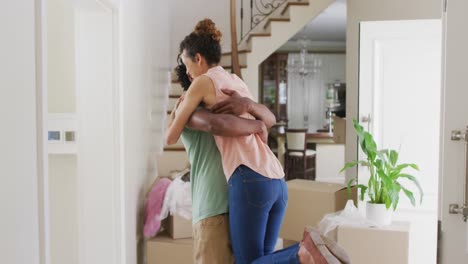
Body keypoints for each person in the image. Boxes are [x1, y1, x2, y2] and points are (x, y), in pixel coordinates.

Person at [166, 18, 317, 264]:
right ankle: (304, 251)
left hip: (244, 182)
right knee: (261, 259)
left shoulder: (200, 86)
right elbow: (268, 119)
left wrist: (180, 112)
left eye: (186, 64)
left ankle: (302, 253)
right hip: (275, 177)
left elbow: (209, 126)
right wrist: (255, 119)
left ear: (199, 59)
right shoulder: (236, 81)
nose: (189, 73)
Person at [169, 59, 273, 264]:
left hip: (235, 200)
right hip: (216, 207)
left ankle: (300, 255)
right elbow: (216, 124)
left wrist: (251, 108)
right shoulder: (188, 109)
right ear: (193, 77)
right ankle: (299, 254)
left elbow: (270, 118)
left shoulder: (226, 105)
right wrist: (257, 125)